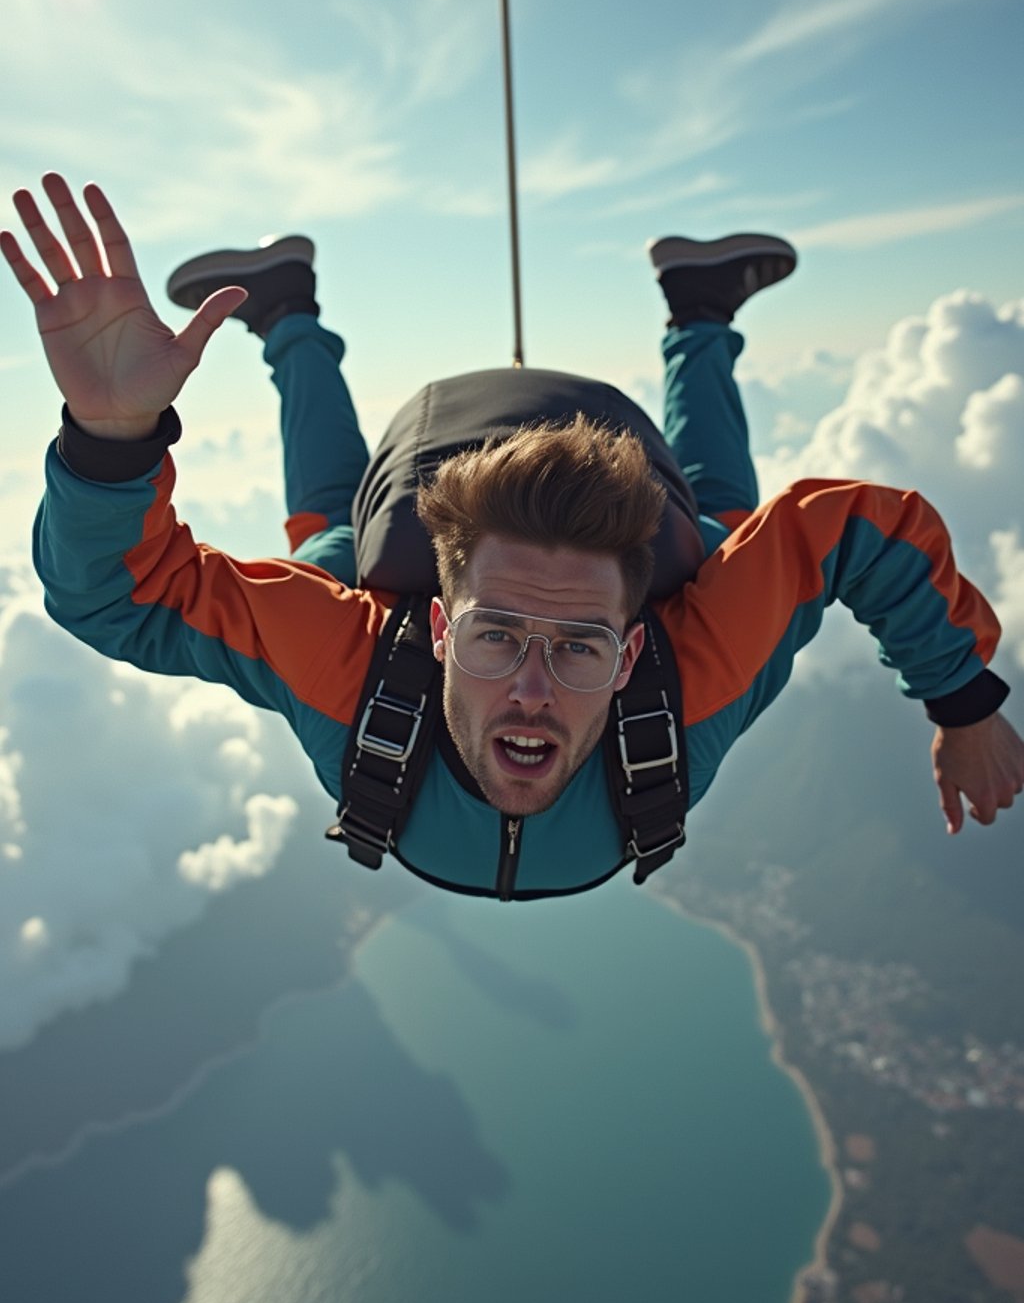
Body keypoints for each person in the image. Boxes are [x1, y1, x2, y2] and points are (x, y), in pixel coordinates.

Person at [2, 174, 1022, 903]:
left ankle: (287, 314)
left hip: (503, 539)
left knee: (341, 531)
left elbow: (119, 597)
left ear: (629, 652)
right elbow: (845, 533)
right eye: (496, 636)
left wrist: (112, 446)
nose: (532, 690)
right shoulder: (681, 688)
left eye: (576, 645)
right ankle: (691, 311)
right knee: (348, 539)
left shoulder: (359, 678)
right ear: (439, 630)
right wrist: (961, 696)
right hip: (458, 535)